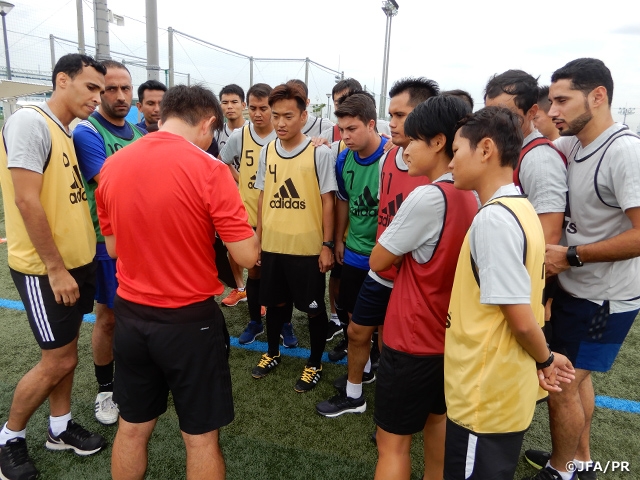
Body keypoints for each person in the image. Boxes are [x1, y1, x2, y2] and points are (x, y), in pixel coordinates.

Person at [96, 84, 259, 480]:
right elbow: (246, 256)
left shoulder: (113, 165)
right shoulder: (209, 168)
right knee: (200, 438)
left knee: (132, 430)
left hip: (132, 317)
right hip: (189, 322)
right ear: (207, 123)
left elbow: (114, 249)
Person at [524, 58, 640, 480]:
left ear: (598, 96)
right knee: (576, 380)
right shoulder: (570, 145)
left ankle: (561, 470)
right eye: (549, 100)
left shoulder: (625, 151)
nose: (552, 111)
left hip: (607, 300)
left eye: (561, 100)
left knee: (563, 383)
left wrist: (571, 256)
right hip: (576, 289)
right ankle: (580, 461)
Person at [444, 107, 574, 480]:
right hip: (500, 387)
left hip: (485, 394)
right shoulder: (520, 208)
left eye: (456, 151)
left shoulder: (494, 218)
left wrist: (546, 359)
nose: (451, 163)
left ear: (485, 149)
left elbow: (517, 315)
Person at [0, 53, 108, 480]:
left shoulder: (67, 131)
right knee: (57, 361)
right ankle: (9, 436)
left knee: (65, 355)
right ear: (62, 80)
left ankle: (59, 428)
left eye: (101, 90)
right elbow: (26, 200)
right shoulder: (30, 122)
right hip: (46, 270)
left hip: (76, 265)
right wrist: (56, 268)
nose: (97, 98)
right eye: (91, 87)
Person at [370, 95, 476, 480]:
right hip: (449, 337)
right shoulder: (474, 192)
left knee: (392, 445)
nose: (403, 147)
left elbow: (378, 260)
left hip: (411, 338)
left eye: (412, 139)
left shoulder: (430, 195)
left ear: (438, 142)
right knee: (438, 424)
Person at [316, 77, 437, 417]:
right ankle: (360, 389)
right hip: (370, 263)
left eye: (401, 115)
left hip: (406, 271)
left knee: (396, 342)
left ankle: (394, 407)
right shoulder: (385, 157)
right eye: (392, 115)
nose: (394, 123)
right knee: (357, 327)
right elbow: (347, 202)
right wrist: (337, 240)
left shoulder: (435, 171)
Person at [73, 60, 146, 426]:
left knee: (136, 313)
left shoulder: (136, 131)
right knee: (108, 316)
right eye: (110, 88)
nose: (119, 96)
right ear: (100, 91)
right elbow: (110, 184)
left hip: (139, 240)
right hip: (107, 241)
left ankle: (132, 379)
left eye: (125, 89)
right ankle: (105, 389)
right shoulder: (87, 133)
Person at [251, 82, 336, 392]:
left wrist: (326, 245)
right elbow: (262, 196)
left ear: (304, 116)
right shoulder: (267, 151)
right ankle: (271, 353)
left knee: (313, 309)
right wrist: (259, 238)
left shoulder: (319, 153)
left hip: (307, 249)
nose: (281, 123)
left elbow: (328, 200)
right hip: (274, 246)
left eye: (288, 116)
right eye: (276, 116)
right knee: (274, 305)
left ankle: (314, 362)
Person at [220, 83, 294, 346]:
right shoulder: (240, 135)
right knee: (254, 271)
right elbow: (223, 160)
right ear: (246, 108)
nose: (258, 113)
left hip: (279, 218)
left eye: (264, 108)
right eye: (253, 108)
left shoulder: (284, 134)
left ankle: (286, 324)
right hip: (249, 218)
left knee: (283, 275)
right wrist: (238, 180)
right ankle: (255, 322)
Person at [484, 70, 567, 246]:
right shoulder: (510, 150)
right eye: (489, 113)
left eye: (506, 114)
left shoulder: (539, 159)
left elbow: (549, 234)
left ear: (531, 112)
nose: (495, 121)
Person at [217, 84, 251, 309]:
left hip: (254, 199)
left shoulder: (253, 130)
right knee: (231, 245)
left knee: (257, 247)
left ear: (243, 105)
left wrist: (244, 182)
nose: (229, 107)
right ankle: (241, 289)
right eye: (225, 102)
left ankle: (258, 291)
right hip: (226, 199)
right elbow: (217, 161)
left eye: (234, 102)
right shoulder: (215, 131)